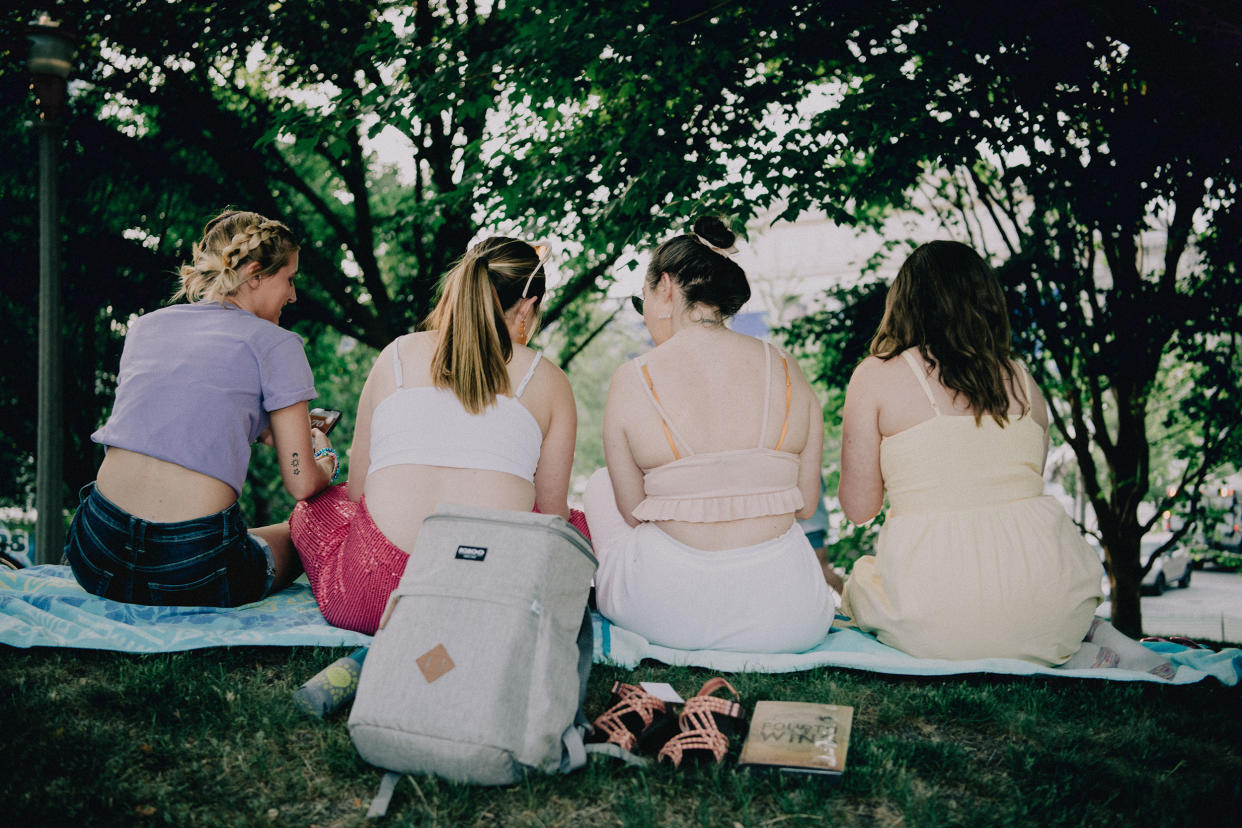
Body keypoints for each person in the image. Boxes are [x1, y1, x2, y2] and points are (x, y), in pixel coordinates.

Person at [290, 237, 577, 635]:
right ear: (527, 306)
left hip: (371, 596)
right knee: (573, 520)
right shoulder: (548, 378)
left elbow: (358, 493)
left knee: (315, 509)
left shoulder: (395, 354)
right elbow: (550, 515)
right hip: (490, 599)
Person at [838, 240, 1104, 665]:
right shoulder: (1023, 378)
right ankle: (1089, 637)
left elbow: (858, 508)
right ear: (986, 301)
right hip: (1050, 605)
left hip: (936, 615)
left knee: (862, 584)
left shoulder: (876, 376)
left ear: (904, 302)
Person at [584, 217, 836, 652]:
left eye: (641, 297)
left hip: (662, 611)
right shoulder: (787, 369)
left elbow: (630, 513)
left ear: (665, 287)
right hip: (789, 616)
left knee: (601, 483)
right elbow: (807, 504)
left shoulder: (633, 377)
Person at [65, 210, 338, 607]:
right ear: (256, 273)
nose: (293, 295)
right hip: (192, 564)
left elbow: (173, 419)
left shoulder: (146, 326)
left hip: (96, 550)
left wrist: (260, 428)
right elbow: (301, 482)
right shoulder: (278, 343)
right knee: (303, 532)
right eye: (289, 279)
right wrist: (323, 459)